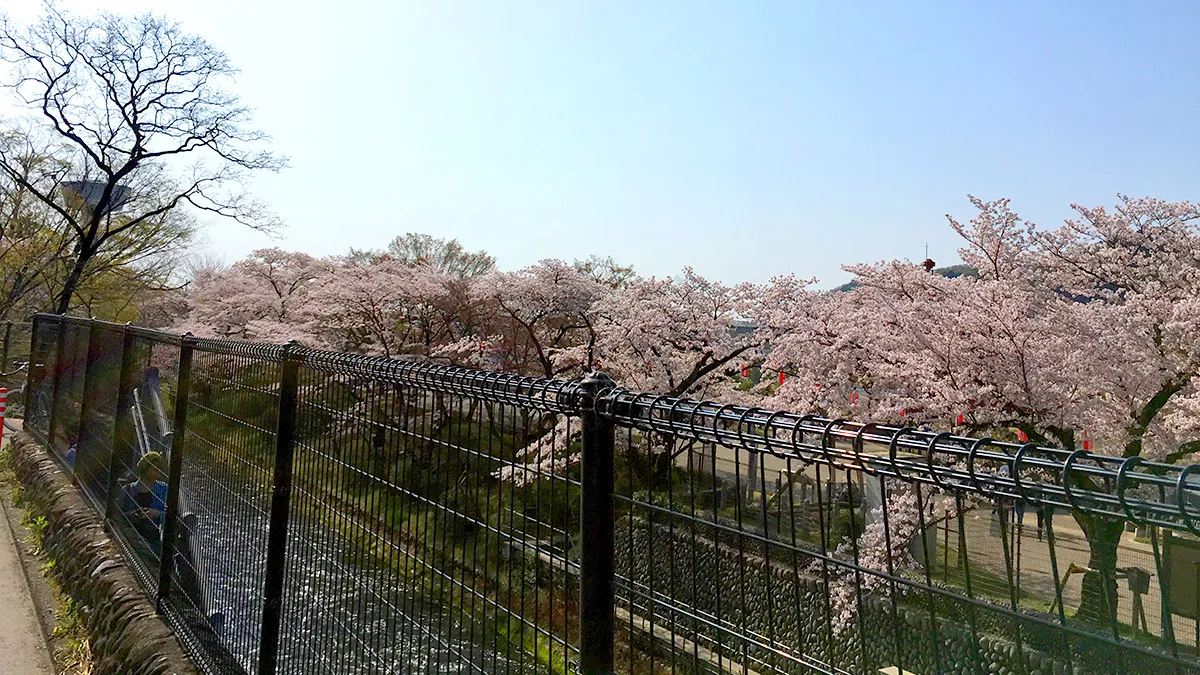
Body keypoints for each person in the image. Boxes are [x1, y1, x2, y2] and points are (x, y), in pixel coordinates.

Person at [121, 452, 169, 550]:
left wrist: (156, 513)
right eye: (155, 469)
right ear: (145, 469)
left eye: (159, 469)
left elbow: (171, 517)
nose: (158, 472)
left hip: (155, 538)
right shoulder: (127, 489)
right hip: (131, 534)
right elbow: (119, 515)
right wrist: (131, 515)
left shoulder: (164, 489)